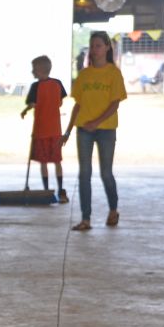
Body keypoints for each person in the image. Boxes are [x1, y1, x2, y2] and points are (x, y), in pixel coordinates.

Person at [62, 31, 126, 231]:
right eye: (92, 46)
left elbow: (115, 104)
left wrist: (96, 122)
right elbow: (78, 105)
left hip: (106, 130)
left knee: (106, 173)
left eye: (98, 45)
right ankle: (86, 219)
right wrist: (68, 131)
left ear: (107, 47)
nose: (95, 50)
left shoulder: (113, 73)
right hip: (84, 130)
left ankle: (113, 210)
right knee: (84, 174)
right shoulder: (84, 74)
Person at [20, 55, 68, 202]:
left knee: (44, 162)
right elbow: (60, 102)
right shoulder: (57, 84)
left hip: (40, 130)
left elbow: (33, 104)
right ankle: (60, 190)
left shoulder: (36, 86)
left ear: (39, 70)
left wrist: (26, 110)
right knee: (57, 161)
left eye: (33, 69)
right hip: (55, 130)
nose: (32, 72)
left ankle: (47, 190)